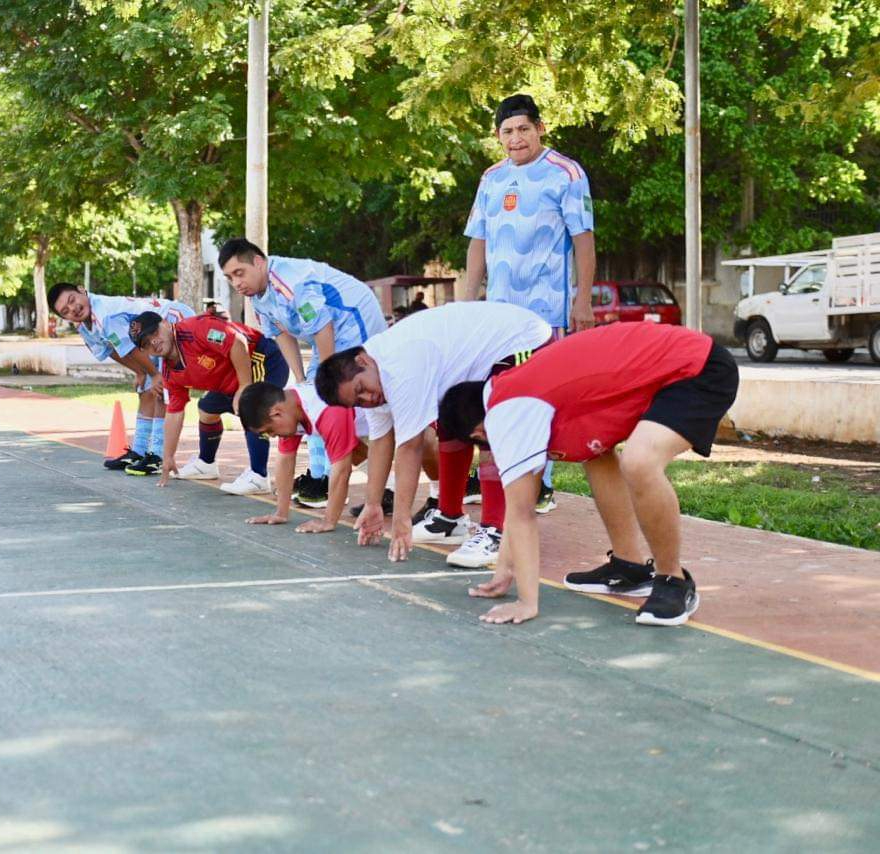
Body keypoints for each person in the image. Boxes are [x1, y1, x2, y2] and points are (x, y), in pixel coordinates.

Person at [437, 323, 739, 626]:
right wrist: (504, 567)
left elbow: (522, 513)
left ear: (478, 432)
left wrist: (526, 602)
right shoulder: (515, 390)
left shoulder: (508, 411)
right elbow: (522, 495)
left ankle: (674, 580)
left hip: (697, 369)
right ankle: (629, 565)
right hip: (670, 365)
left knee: (639, 461)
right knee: (592, 452)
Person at [315, 301, 551, 565]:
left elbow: (410, 447)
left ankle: (496, 530)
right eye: (358, 402)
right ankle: (450, 518)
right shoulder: (373, 381)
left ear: (363, 360)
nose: (368, 399)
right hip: (482, 356)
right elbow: (381, 441)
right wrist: (373, 505)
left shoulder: (399, 366)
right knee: (451, 418)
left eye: (362, 389)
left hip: (523, 340)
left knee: (491, 422)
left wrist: (402, 520)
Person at [461, 93, 598, 516]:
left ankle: (542, 482)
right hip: (500, 312)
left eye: (523, 129)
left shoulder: (566, 173)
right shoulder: (491, 179)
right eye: (507, 131)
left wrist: (583, 301)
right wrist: (467, 301)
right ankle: (500, 470)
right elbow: (477, 245)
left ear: (540, 128)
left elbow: (584, 241)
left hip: (547, 312)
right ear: (497, 137)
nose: (516, 138)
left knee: (543, 393)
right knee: (496, 391)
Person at [219, 238, 386, 510]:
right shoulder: (258, 299)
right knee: (310, 404)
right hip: (328, 332)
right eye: (229, 278)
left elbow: (323, 328)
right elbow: (281, 335)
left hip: (353, 322)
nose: (236, 283)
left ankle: (370, 484)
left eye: (240, 273)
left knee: (358, 407)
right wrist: (300, 380)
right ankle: (322, 478)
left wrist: (327, 381)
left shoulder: (292, 282)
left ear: (259, 262)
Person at [238, 381, 442, 534]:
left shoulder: (326, 409)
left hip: (407, 396)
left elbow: (341, 470)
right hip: (378, 413)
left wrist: (328, 520)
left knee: (423, 442)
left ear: (276, 413)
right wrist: (281, 512)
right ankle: (386, 489)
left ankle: (441, 499)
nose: (273, 436)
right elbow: (285, 459)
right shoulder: (289, 406)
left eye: (270, 431)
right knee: (346, 447)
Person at [130, 310, 288, 495]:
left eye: (154, 333)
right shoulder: (169, 373)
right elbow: (174, 412)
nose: (154, 342)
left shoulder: (196, 329)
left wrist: (244, 387)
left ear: (165, 323)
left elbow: (238, 342)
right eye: (146, 343)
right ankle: (206, 463)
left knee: (252, 410)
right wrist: (168, 456)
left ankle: (259, 476)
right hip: (229, 378)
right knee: (206, 410)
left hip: (262, 360)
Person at [48, 284, 193, 476]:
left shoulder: (105, 315)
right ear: (64, 318)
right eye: (65, 311)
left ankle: (157, 456)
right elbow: (113, 350)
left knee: (160, 391)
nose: (73, 309)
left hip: (172, 320)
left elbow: (130, 349)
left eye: (72, 300)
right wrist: (141, 372)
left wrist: (154, 374)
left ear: (83, 290)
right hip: (149, 337)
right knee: (146, 391)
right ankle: (139, 452)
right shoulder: (84, 327)